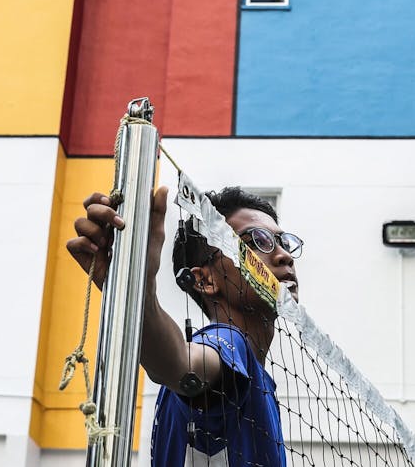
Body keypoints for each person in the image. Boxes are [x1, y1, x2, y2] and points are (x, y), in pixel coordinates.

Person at [67, 185, 303, 466]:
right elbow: (181, 363)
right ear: (205, 280)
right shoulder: (227, 343)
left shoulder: (254, 379)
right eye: (255, 242)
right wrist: (138, 293)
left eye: (282, 243)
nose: (283, 255)